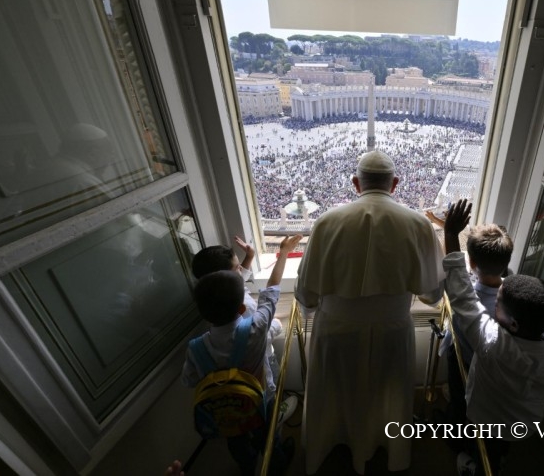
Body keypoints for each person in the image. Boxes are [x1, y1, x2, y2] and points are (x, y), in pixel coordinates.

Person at [295, 150, 445, 475]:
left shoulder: (326, 222)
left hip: (336, 330)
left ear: (355, 183)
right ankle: (387, 449)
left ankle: (335, 444)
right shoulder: (419, 224)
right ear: (395, 183)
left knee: (336, 392)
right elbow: (433, 295)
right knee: (387, 393)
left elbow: (306, 295)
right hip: (393, 330)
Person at [442, 199, 544, 476]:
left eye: (498, 303)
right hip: (524, 423)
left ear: (514, 323)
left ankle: (475, 466)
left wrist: (450, 233)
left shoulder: (493, 343)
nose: (494, 303)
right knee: (499, 447)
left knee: (483, 452)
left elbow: (462, 296)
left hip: (485, 416)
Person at [182, 234, 302, 476]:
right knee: (268, 433)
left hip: (225, 410)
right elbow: (271, 291)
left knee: (236, 438)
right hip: (261, 397)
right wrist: (284, 253)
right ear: (242, 307)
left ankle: (246, 466)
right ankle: (277, 461)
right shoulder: (256, 329)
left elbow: (189, 380)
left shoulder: (196, 347)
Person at [191, 237, 297, 422]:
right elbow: (263, 330)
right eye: (237, 267)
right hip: (260, 380)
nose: (242, 269)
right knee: (268, 405)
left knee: (242, 422)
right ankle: (276, 419)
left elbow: (190, 379)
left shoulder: (196, 347)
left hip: (226, 406)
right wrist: (275, 325)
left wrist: (249, 257)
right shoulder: (249, 313)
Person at [440, 221, 514, 435]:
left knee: (458, 398)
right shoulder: (513, 297)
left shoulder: (469, 300)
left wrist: (451, 234)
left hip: (463, 360)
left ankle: (454, 434)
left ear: (471, 263)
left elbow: (459, 287)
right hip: (491, 371)